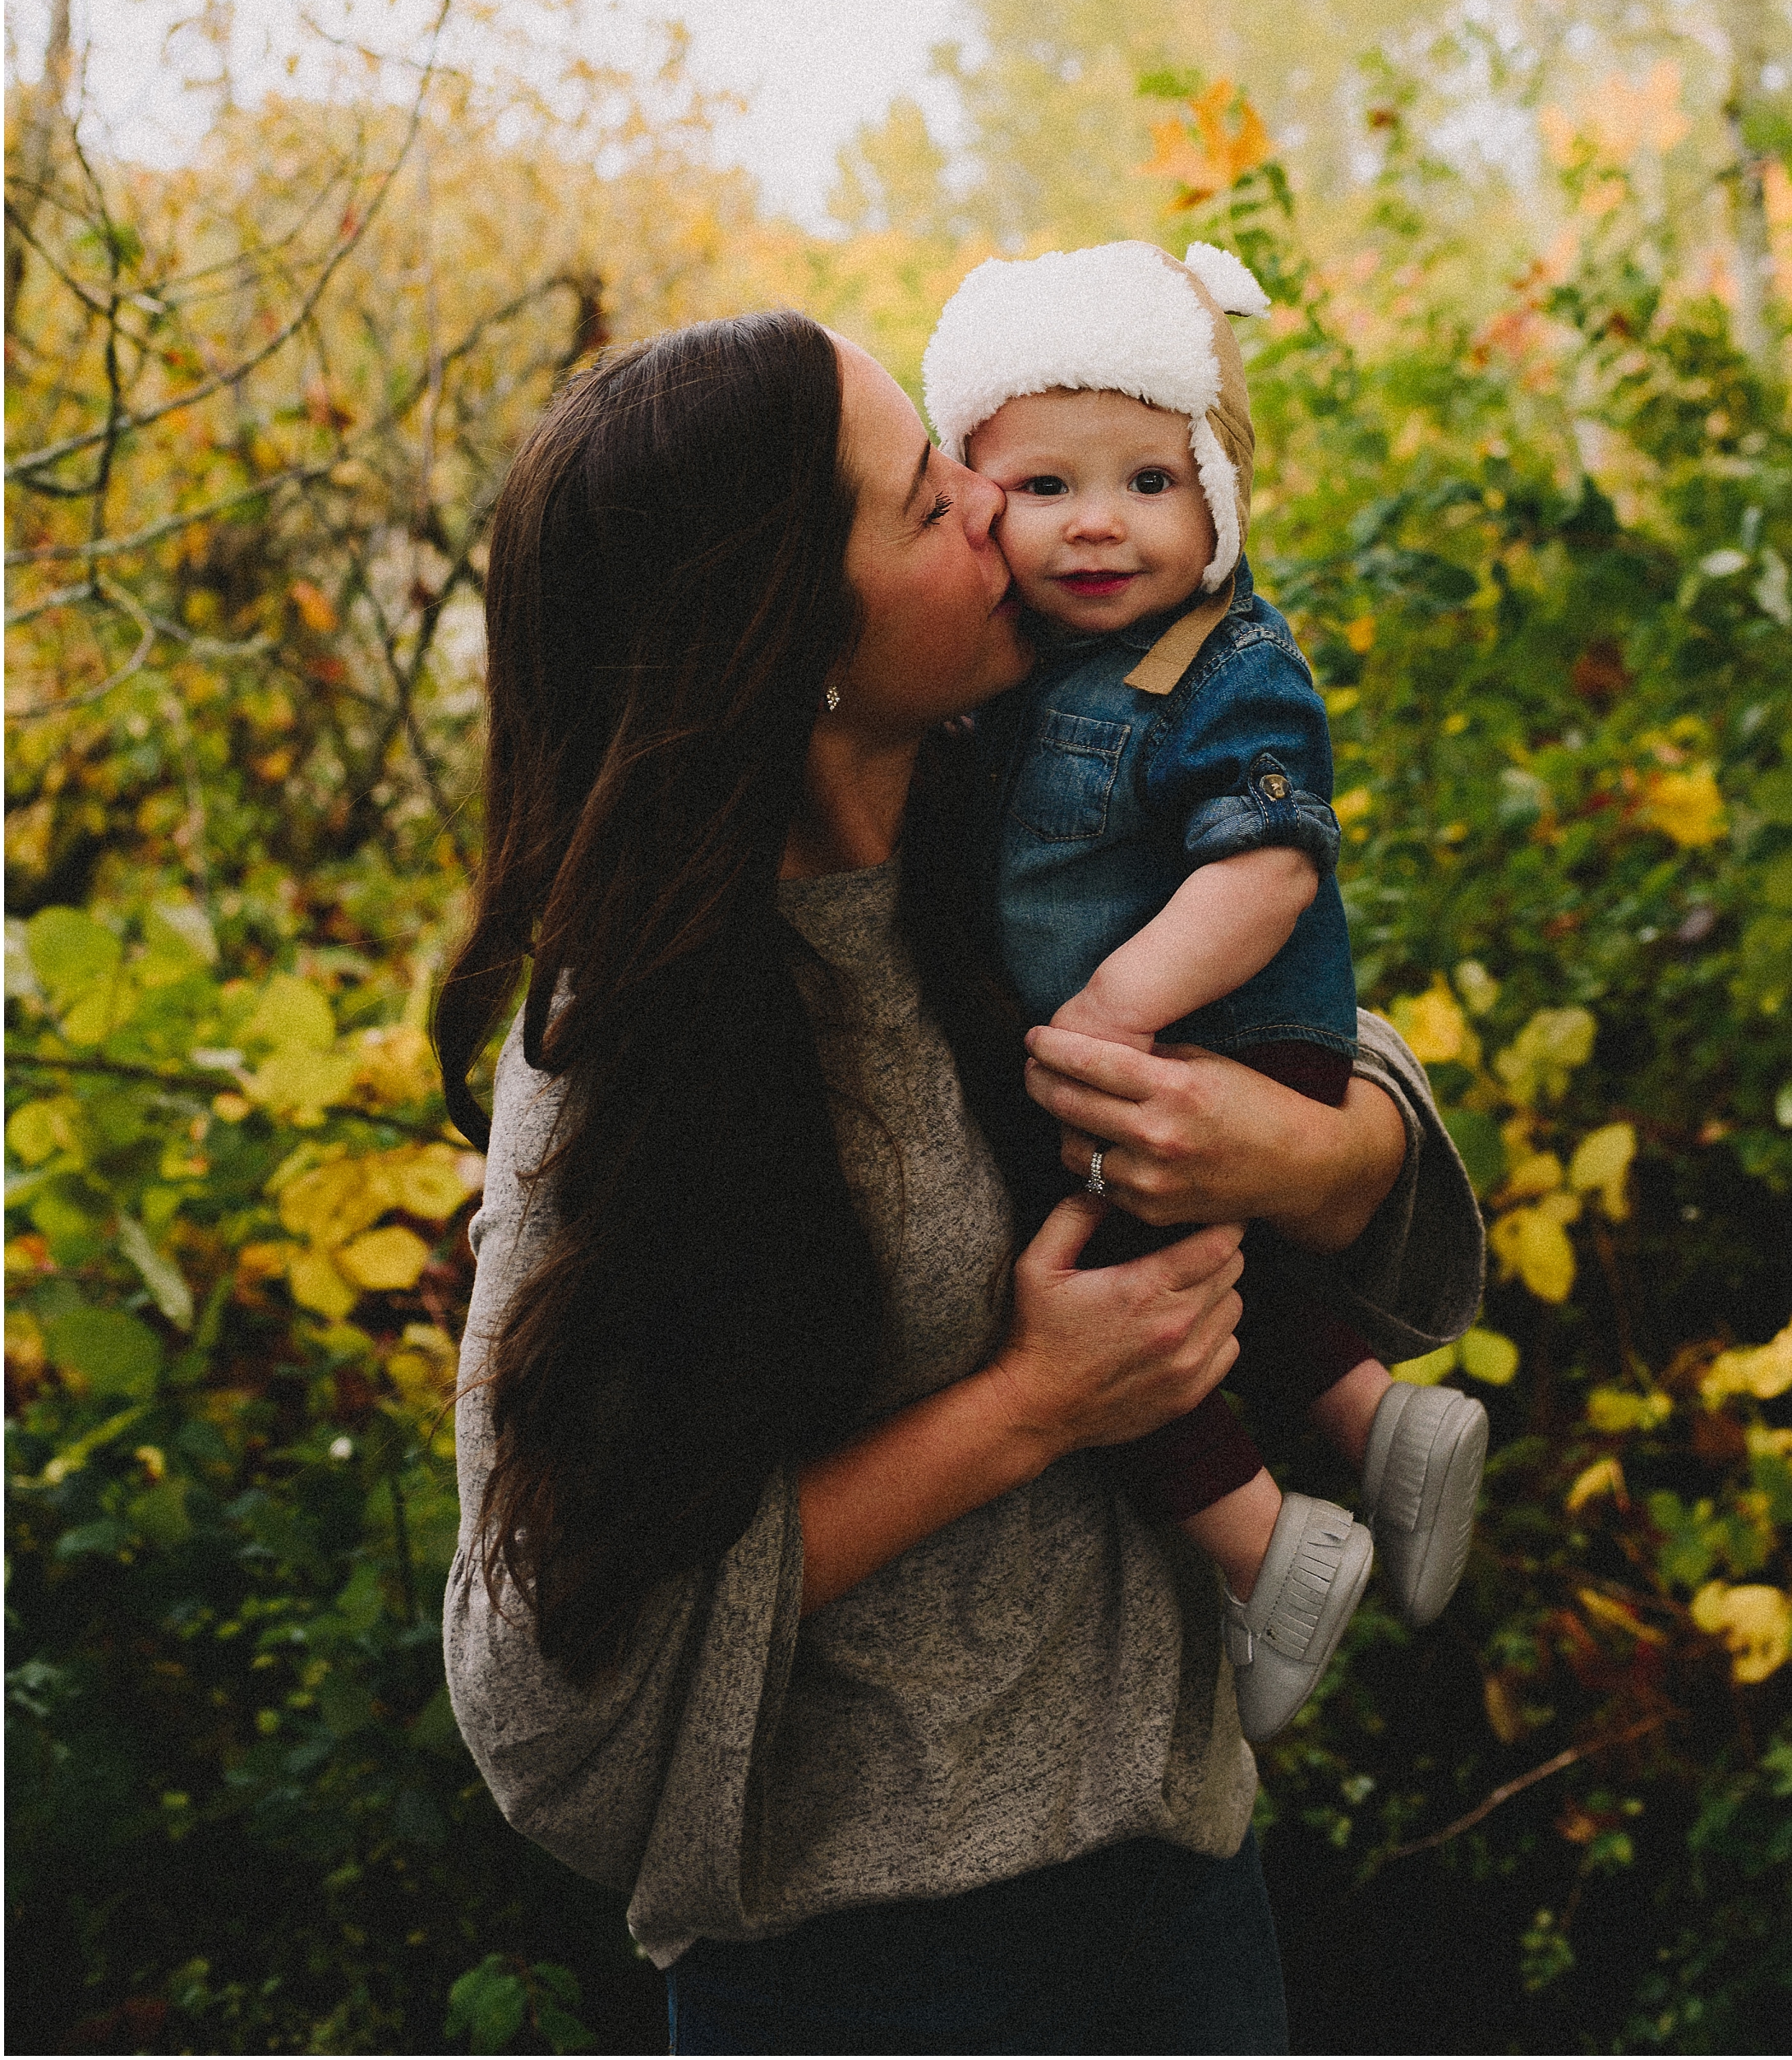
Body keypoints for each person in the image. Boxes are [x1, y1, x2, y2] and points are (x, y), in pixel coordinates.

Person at [439, 311, 1485, 2058]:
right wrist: (1032, 1406)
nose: (1002, 520)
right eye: (934, 501)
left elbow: (1328, 1040)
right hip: (863, 1979)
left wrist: (1312, 1147)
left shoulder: (1025, 833)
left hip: (1188, 1910)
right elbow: (543, 1662)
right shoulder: (632, 1053)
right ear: (790, 638)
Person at [921, 239, 1489, 1743]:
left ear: (1218, 494)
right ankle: (1384, 1420)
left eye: (1148, 483)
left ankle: (1261, 1546)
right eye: (1044, 489)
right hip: (1170, 1065)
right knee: (1225, 1274)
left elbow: (1270, 868)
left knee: (1110, 1307)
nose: (1098, 524)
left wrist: (1115, 1004)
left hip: (1228, 1048)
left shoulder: (1226, 661)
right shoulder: (1020, 672)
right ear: (975, 496)